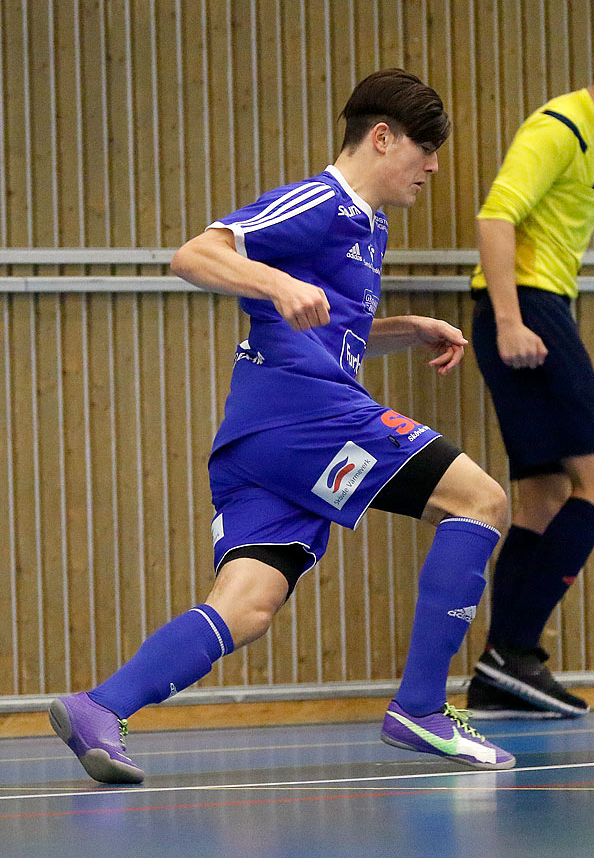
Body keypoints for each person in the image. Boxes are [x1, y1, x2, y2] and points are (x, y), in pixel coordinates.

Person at [50, 69, 516, 784]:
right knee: (481, 500)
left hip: (264, 445)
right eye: (424, 148)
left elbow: (319, 323)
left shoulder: (370, 226)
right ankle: (420, 708)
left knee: (249, 603)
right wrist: (273, 280)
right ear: (382, 137)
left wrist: (404, 329)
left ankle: (99, 707)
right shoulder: (322, 201)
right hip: (306, 419)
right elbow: (195, 255)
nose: (432, 166)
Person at [466, 8, 594, 718]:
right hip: (528, 309)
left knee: (542, 498)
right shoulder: (561, 127)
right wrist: (513, 318)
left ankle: (501, 670)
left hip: (529, 309)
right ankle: (513, 652)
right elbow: (497, 217)